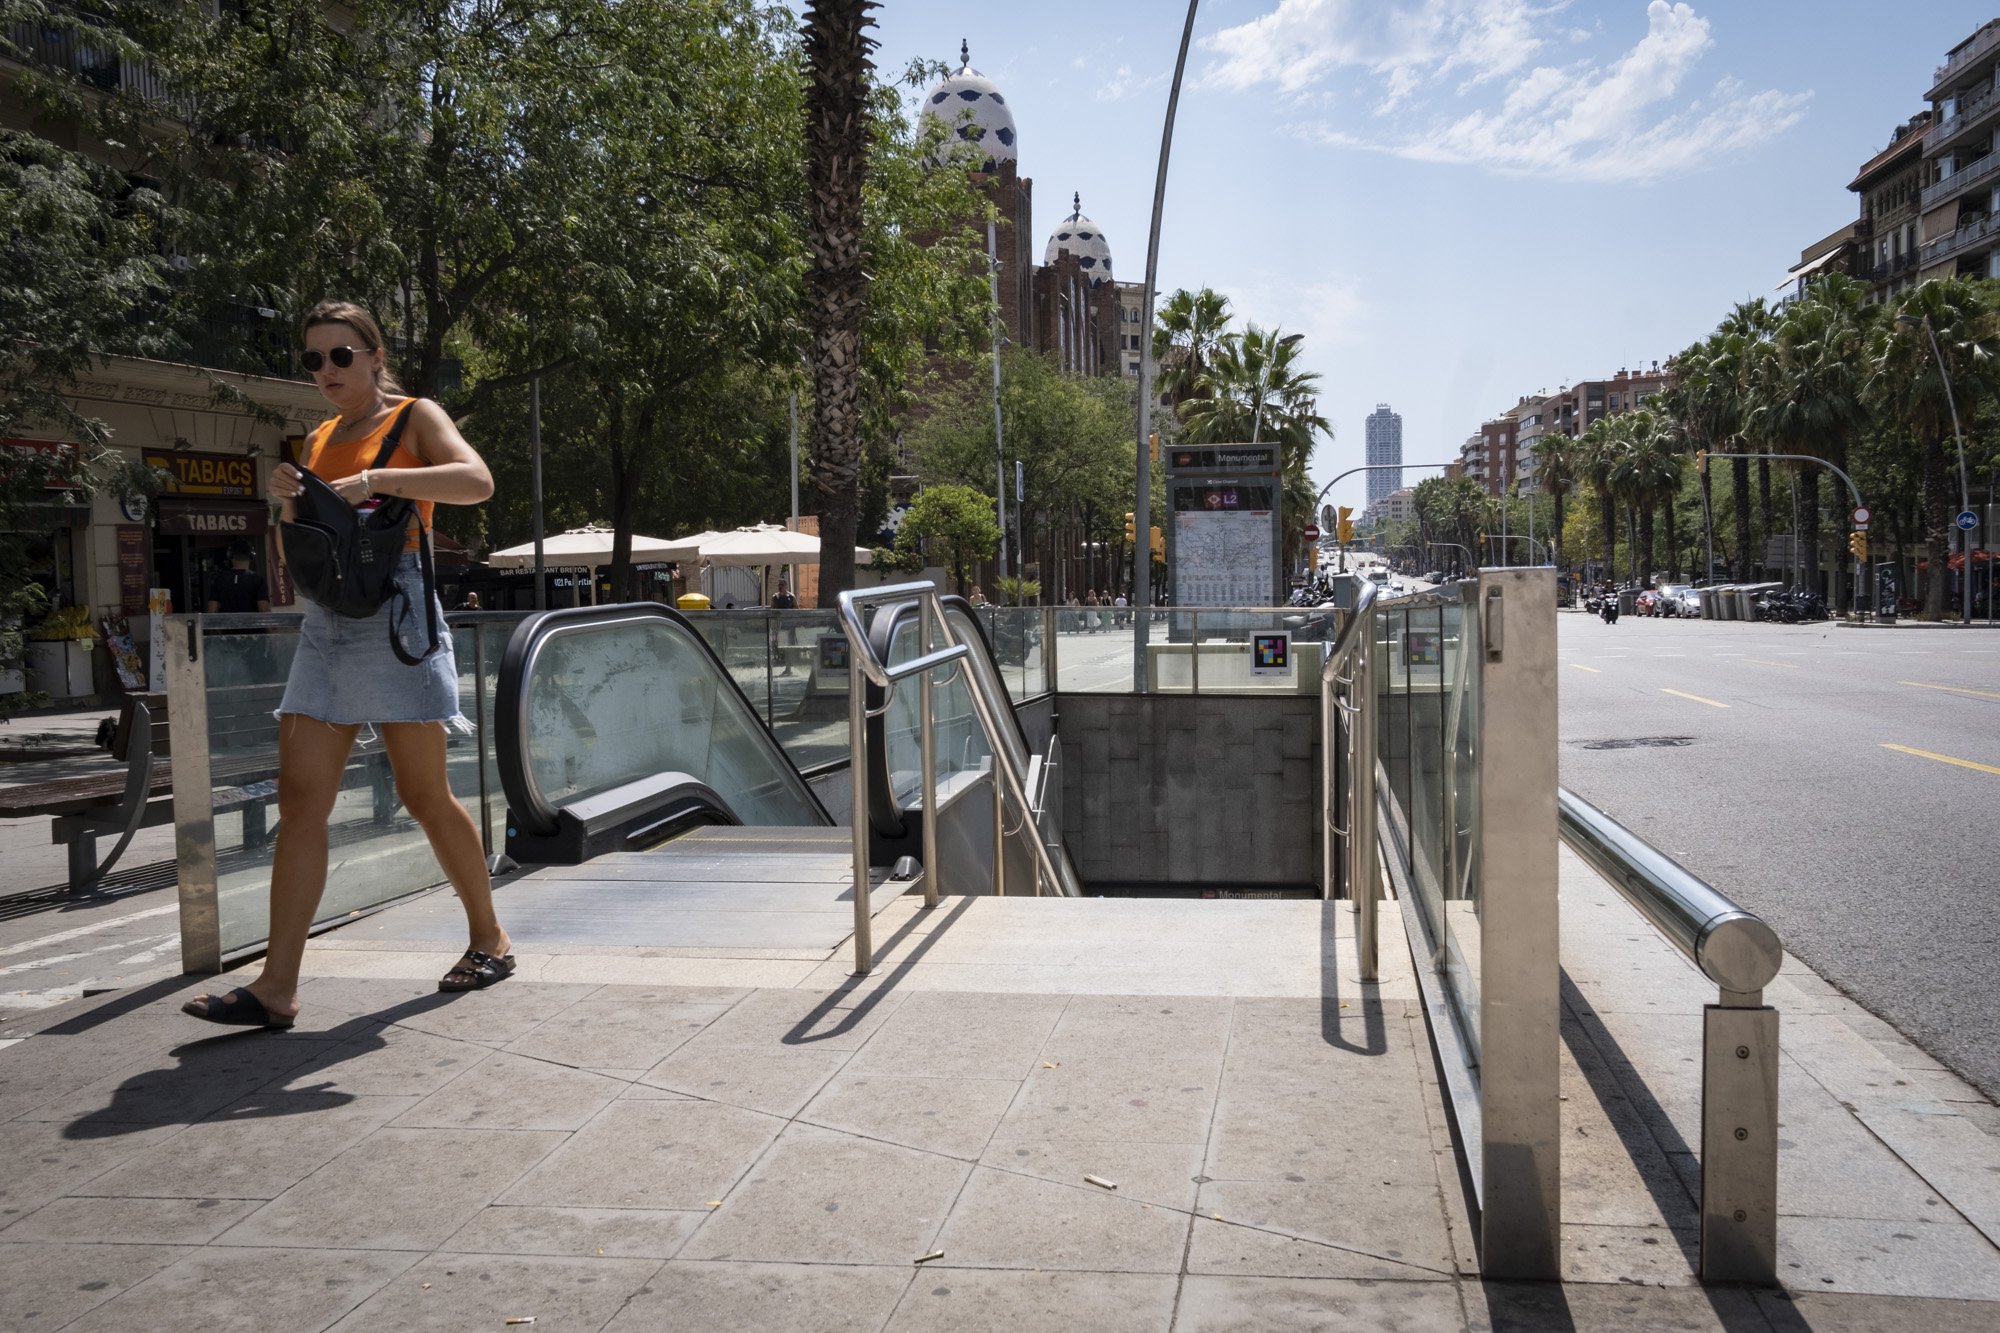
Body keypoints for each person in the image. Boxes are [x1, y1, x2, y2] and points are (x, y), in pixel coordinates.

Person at [182, 300, 511, 1031]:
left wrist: (382, 481)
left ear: (373, 357)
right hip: (328, 623)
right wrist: (285, 505)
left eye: (340, 355)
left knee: (425, 795)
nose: (325, 371)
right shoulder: (320, 437)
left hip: (396, 617)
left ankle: (490, 938)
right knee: (301, 801)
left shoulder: (414, 417)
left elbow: (476, 480)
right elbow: (306, 544)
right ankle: (276, 987)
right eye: (313, 359)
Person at [204, 538, 272, 614]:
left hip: (226, 625)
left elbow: (212, 611)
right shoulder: (258, 580)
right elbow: (264, 611)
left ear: (230, 556)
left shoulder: (219, 580)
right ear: (251, 557)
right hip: (251, 625)